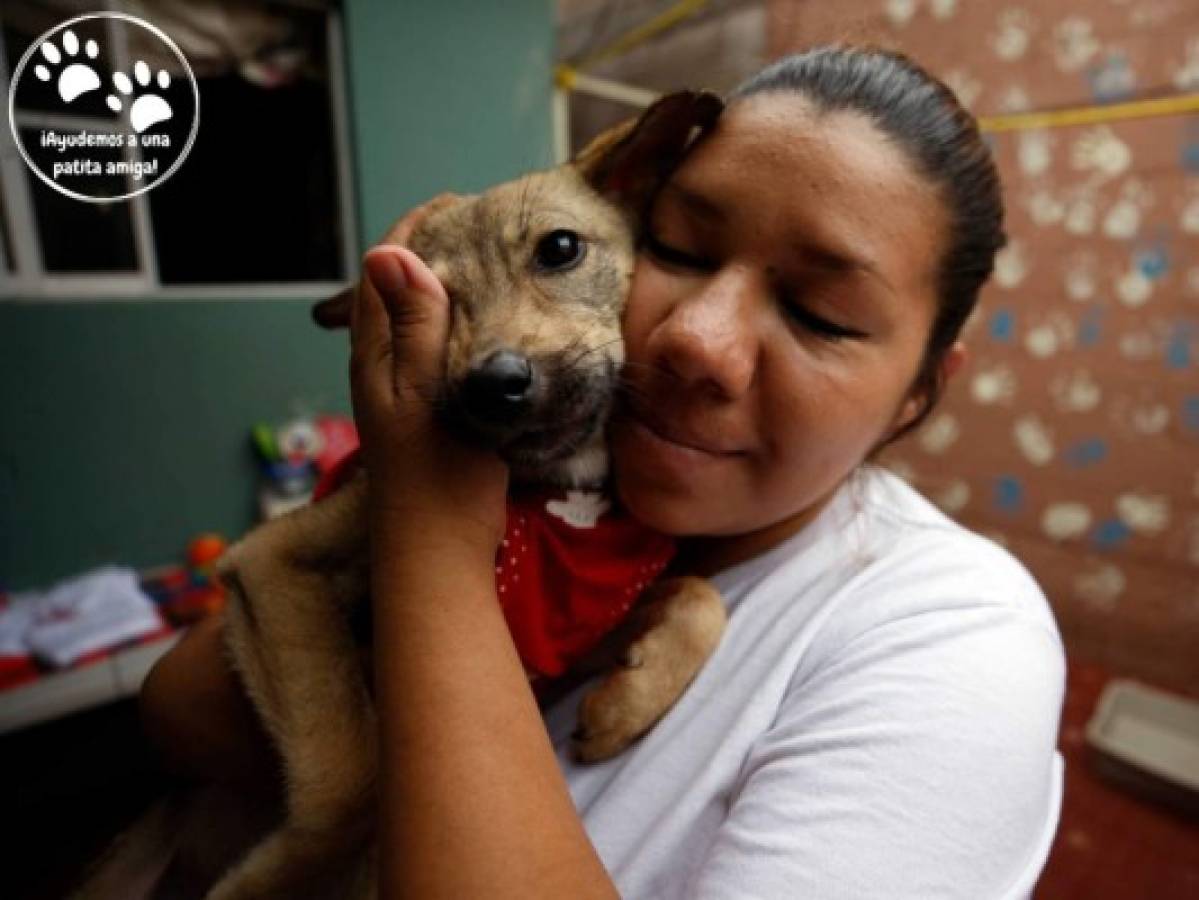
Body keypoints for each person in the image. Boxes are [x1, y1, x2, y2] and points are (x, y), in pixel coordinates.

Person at [141, 45, 1065, 899]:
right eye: (676, 249)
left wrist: (430, 532)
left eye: (820, 314)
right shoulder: (555, 478)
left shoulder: (958, 637)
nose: (695, 340)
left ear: (916, 397)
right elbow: (176, 714)